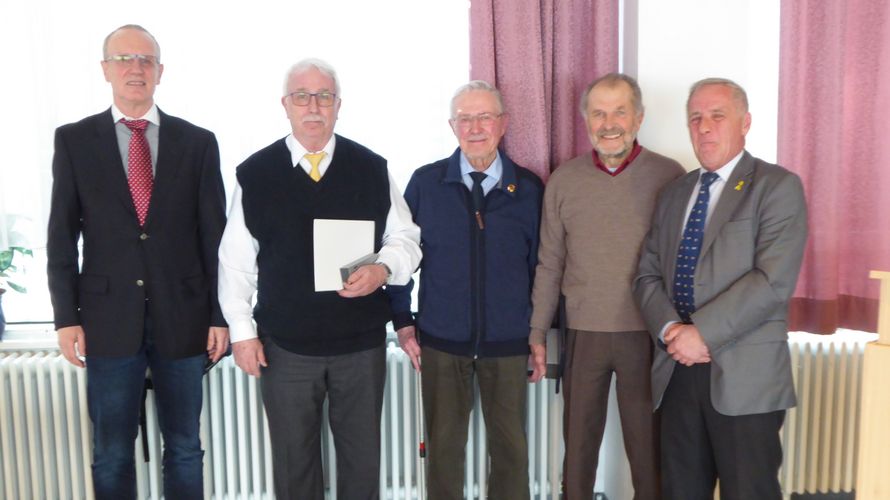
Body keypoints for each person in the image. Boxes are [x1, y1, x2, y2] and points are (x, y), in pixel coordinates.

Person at [217, 58, 422, 499]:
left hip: (360, 346)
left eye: (324, 96)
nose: (313, 106)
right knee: (294, 466)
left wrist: (383, 268)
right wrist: (242, 334)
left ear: (338, 105)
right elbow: (236, 262)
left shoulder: (371, 167)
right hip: (286, 347)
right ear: (285, 105)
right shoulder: (255, 174)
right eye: (302, 96)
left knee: (362, 465)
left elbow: (407, 238)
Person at [47, 25, 229, 500]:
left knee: (186, 447)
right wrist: (66, 317)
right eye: (124, 59)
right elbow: (62, 236)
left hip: (185, 319)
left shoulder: (198, 142)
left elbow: (216, 239)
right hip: (107, 322)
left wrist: (219, 315)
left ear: (160, 72)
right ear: (105, 70)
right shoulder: (74, 140)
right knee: (110, 451)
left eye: (146, 60)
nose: (135, 68)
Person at [633, 78, 808, 500]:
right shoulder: (675, 192)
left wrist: (701, 333)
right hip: (678, 369)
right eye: (695, 118)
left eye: (717, 116)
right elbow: (646, 275)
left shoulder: (777, 187)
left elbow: (772, 282)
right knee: (680, 490)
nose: (705, 127)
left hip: (745, 376)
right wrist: (674, 333)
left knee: (749, 490)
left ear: (745, 122)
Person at [529, 73, 684, 499]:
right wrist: (538, 333)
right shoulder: (564, 180)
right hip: (584, 333)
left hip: (648, 334)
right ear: (585, 120)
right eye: (599, 112)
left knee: (647, 452)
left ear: (639, 117)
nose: (609, 122)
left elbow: (683, 264)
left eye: (619, 111)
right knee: (577, 453)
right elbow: (549, 263)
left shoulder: (670, 176)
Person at [387, 80, 544, 500]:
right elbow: (399, 253)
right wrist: (402, 321)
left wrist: (540, 333)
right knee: (443, 450)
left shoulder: (529, 189)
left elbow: (543, 268)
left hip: (509, 343)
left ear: (503, 123)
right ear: (452, 126)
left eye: (485, 117)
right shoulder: (425, 183)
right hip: (440, 342)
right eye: (465, 118)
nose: (475, 127)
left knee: (511, 452)